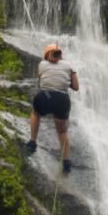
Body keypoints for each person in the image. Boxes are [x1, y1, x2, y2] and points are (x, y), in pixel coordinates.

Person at [27, 43, 80, 172]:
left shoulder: (42, 64)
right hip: (62, 99)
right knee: (62, 131)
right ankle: (67, 162)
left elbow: (41, 80)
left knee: (36, 113)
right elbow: (76, 87)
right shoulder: (69, 65)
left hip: (45, 96)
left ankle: (32, 142)